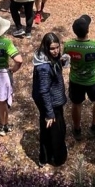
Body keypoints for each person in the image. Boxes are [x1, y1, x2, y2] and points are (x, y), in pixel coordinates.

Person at [63, 15, 95, 141]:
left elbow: (66, 58)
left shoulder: (69, 45)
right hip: (92, 80)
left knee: (76, 104)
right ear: (88, 30)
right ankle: (94, 126)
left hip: (76, 80)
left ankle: (77, 129)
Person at [32, 33, 69, 167]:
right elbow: (43, 90)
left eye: (57, 47)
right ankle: (57, 158)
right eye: (52, 49)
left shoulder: (46, 59)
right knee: (56, 132)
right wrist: (49, 113)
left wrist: (61, 61)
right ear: (46, 48)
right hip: (51, 104)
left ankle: (44, 157)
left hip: (51, 101)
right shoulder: (44, 68)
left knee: (47, 130)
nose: (56, 51)